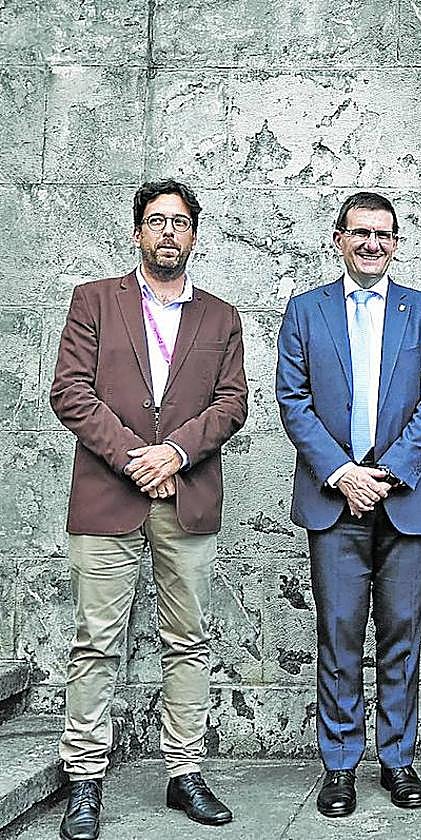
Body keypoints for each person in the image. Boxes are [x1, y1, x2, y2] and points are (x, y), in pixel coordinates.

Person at [49, 179, 247, 840]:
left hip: (185, 498)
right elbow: (70, 392)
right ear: (138, 231)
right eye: (156, 221)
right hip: (110, 496)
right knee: (97, 642)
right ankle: (84, 780)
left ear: (195, 234)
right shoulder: (94, 302)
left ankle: (185, 772)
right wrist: (140, 455)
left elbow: (231, 403)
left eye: (180, 222)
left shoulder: (221, 317)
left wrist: (177, 453)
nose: (168, 232)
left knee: (187, 641)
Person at [275, 192, 421, 817]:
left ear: (397, 242)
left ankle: (398, 760)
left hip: (404, 501)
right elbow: (292, 400)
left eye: (383, 234)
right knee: (340, 635)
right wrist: (342, 473)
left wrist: (387, 473)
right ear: (339, 239)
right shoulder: (306, 311)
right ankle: (341, 764)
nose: (370, 244)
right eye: (359, 233)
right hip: (334, 502)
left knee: (403, 636)